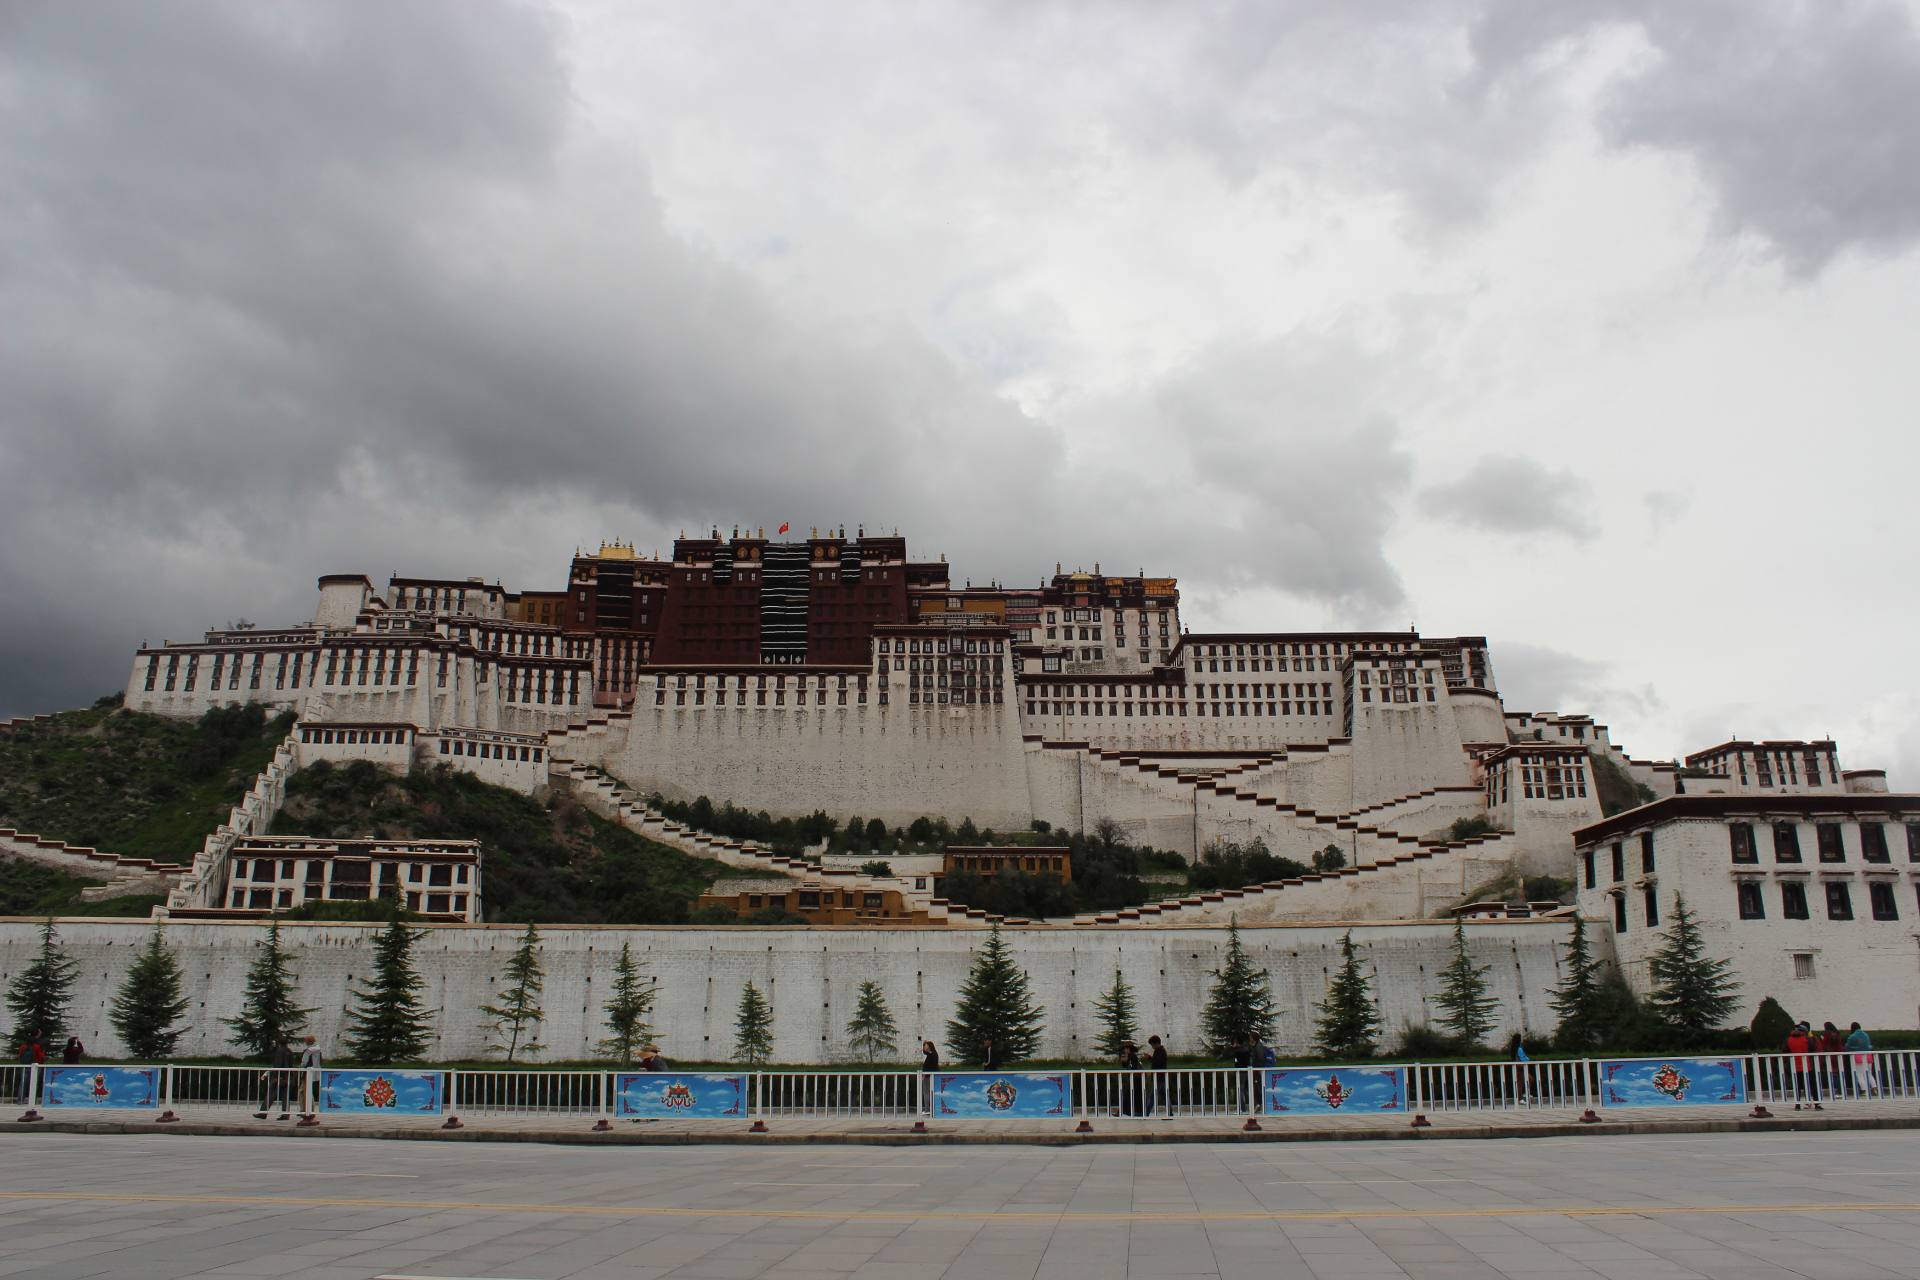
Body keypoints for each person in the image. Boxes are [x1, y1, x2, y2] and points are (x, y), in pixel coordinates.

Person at [255, 1035, 297, 1120]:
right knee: (286, 1096)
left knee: (271, 1095)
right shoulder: (289, 1051)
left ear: (279, 1042)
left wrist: (276, 1076)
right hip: (288, 1077)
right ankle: (285, 1115)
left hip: (280, 1077)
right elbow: (291, 1065)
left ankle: (263, 1113)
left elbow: (278, 1064)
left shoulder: (279, 1051)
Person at [1786, 1022, 1821, 1110]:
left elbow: (1785, 1051)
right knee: (1813, 1085)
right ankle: (1817, 1104)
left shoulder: (1789, 1039)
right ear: (1805, 1031)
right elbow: (1813, 1049)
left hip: (1795, 1066)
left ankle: (1797, 1105)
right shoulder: (1807, 1039)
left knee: (1797, 1086)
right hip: (1807, 1065)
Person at [1846, 1022, 1878, 1097]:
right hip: (1868, 1055)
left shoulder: (1852, 1036)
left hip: (1858, 1056)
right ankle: (1874, 1089)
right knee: (1869, 1073)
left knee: (1859, 1074)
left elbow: (1848, 1047)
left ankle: (1864, 1090)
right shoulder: (1866, 1035)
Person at [1819, 1021, 1847, 1098]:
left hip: (1830, 1056)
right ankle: (1841, 1090)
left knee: (1833, 1075)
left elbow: (1824, 1044)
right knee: (1838, 1074)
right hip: (1839, 1055)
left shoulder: (1827, 1034)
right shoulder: (1837, 1033)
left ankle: (1836, 1091)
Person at [15, 1029, 44, 1105]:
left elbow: (20, 1056)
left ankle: (20, 1100)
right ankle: (33, 1100)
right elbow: (40, 1057)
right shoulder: (36, 1046)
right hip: (35, 1066)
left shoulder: (23, 1046)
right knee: (34, 1083)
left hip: (25, 1066)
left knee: (23, 1083)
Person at [296, 1034, 323, 1115]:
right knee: (306, 1091)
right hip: (314, 1072)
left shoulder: (309, 1050)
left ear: (308, 1041)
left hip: (307, 1073)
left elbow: (304, 1062)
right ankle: (307, 1110)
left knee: (304, 1091)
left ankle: (306, 1110)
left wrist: (299, 1068)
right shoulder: (318, 1048)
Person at [1118, 1040, 1143, 1117]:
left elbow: (1132, 1067)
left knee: (1130, 1095)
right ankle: (1124, 1111)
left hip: (1135, 1078)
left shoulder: (1132, 1056)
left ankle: (1122, 1111)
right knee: (1131, 1095)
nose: (1124, 1050)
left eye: (1125, 1048)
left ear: (1129, 1049)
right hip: (1135, 1078)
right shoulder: (1131, 1056)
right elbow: (1127, 1065)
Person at [1148, 1034, 1170, 1118]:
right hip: (1160, 1076)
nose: (1152, 1047)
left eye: (1152, 1045)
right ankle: (1170, 1112)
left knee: (1152, 1096)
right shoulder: (1159, 1051)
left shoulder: (1160, 1051)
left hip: (1159, 1077)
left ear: (1156, 1043)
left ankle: (1146, 1112)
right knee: (1164, 1096)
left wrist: (1149, 1058)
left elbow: (1157, 1063)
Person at [920, 1040, 940, 1114]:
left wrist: (925, 1074)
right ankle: (930, 1109)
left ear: (929, 1047)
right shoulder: (931, 1054)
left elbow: (932, 1066)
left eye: (926, 1045)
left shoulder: (932, 1054)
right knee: (929, 1092)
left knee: (927, 1092)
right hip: (929, 1076)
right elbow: (925, 1052)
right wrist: (923, 1044)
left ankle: (928, 1110)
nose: (924, 1047)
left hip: (929, 1076)